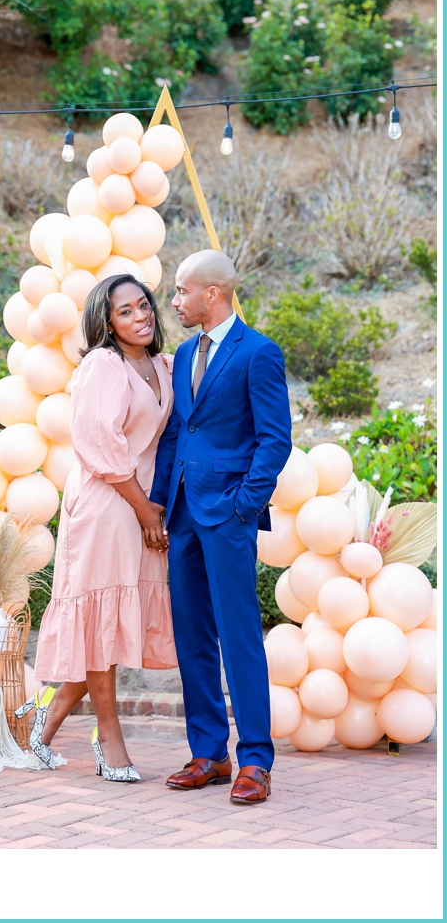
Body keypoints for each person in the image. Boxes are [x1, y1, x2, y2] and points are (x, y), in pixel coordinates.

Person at [148, 249, 291, 805]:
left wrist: (243, 505)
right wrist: (159, 503)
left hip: (228, 515)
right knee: (192, 639)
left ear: (213, 293)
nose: (175, 301)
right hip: (182, 513)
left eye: (182, 292)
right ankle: (209, 752)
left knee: (239, 639)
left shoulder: (259, 353)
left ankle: (256, 759)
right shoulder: (183, 355)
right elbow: (176, 434)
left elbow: (274, 439)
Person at [27, 274, 177, 783]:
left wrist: (156, 508)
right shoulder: (102, 365)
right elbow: (100, 444)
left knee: (108, 623)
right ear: (107, 323)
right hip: (108, 502)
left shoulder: (161, 365)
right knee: (100, 619)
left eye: (144, 306)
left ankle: (41, 725)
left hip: (143, 505)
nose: (141, 317)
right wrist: (145, 511)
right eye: (126, 312)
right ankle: (108, 737)